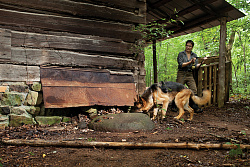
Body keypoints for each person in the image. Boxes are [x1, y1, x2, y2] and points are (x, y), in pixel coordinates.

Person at [174, 40, 207, 113]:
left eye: (190, 46)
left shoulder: (194, 55)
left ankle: (193, 106)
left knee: (193, 89)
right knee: (178, 89)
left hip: (189, 74)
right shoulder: (181, 54)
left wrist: (202, 62)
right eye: (187, 45)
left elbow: (195, 66)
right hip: (181, 73)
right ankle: (175, 105)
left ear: (192, 47)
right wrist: (190, 62)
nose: (188, 47)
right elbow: (181, 64)